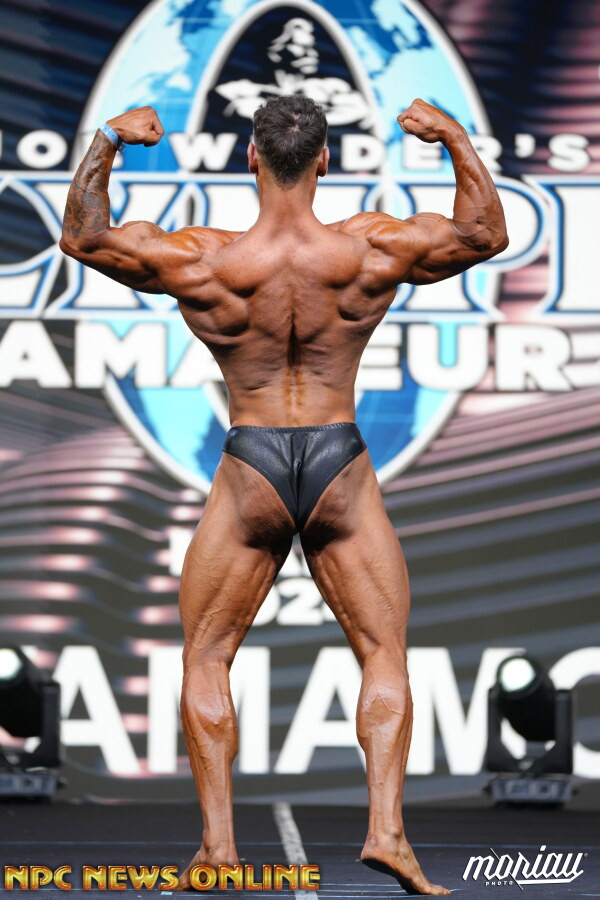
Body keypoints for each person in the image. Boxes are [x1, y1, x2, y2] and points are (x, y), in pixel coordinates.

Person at [60, 94, 508, 895]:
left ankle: (219, 850)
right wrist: (452, 137)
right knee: (382, 651)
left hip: (252, 462)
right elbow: (483, 235)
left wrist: (106, 142)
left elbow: (84, 238)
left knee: (207, 655)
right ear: (326, 160)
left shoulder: (205, 259)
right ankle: (387, 834)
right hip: (340, 461)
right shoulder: (370, 247)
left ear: (251, 159)